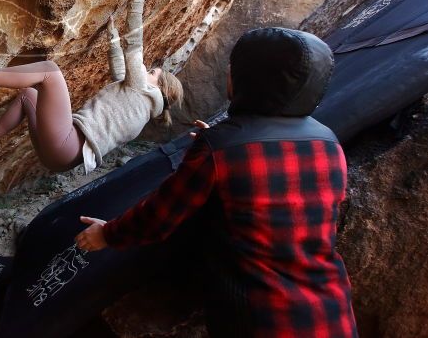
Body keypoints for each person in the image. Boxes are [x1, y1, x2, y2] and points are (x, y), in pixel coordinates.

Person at [75, 27, 357, 337]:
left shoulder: (223, 148)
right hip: (333, 314)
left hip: (261, 319)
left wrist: (107, 235)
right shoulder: (327, 142)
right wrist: (222, 148)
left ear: (246, 80)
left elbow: (159, 217)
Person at [0, 0, 183, 173]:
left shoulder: (143, 91)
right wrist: (112, 34)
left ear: (160, 88)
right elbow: (119, 72)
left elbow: (135, 41)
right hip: (59, 160)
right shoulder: (141, 110)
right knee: (28, 95)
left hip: (66, 143)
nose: (147, 70)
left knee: (50, 72)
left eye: (153, 72)